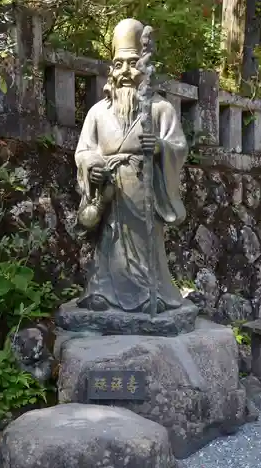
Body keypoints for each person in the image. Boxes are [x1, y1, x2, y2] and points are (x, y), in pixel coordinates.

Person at [75, 18, 188, 314]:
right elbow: (84, 151)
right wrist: (93, 165)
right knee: (110, 245)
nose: (125, 72)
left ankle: (156, 293)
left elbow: (178, 147)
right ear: (111, 69)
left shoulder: (160, 109)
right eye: (119, 64)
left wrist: (160, 148)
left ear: (146, 67)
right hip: (111, 194)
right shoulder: (98, 113)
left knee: (147, 243)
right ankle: (103, 292)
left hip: (144, 191)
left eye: (133, 63)